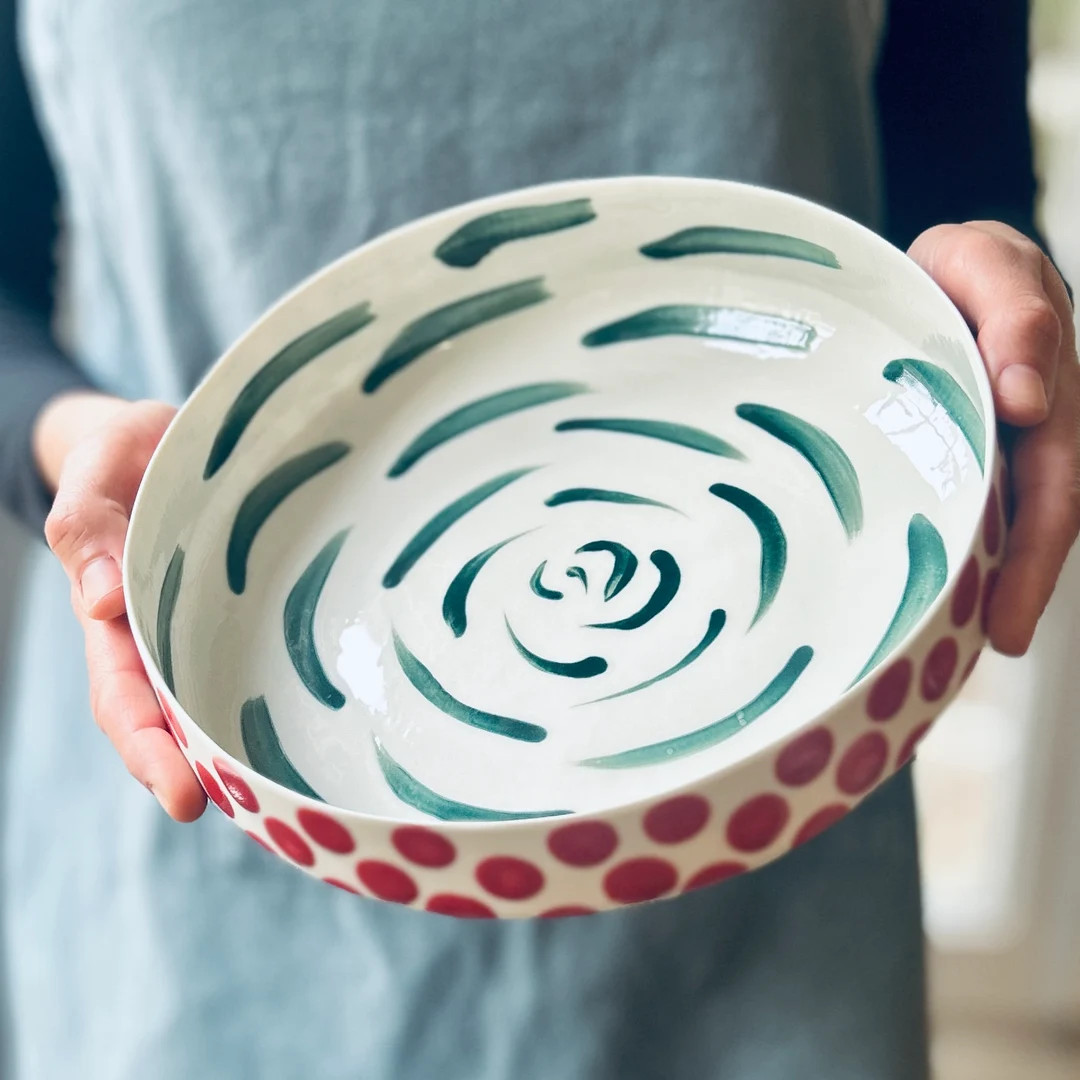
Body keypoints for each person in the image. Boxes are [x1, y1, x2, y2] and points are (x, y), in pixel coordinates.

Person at [1, 1, 1076, 1077]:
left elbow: (951, 139)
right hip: (206, 825)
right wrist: (67, 438)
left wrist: (989, 295)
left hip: (769, 831)